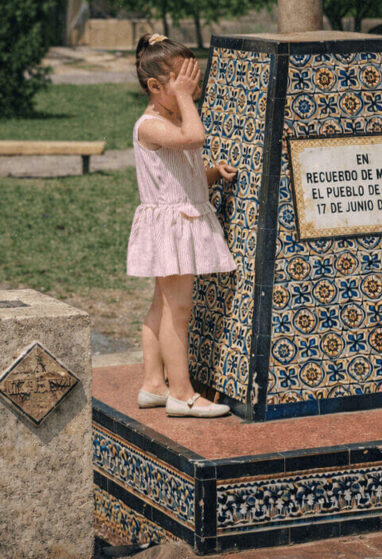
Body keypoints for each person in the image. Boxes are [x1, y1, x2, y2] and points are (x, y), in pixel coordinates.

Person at [127, 32, 238, 418]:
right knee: (179, 309)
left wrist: (210, 174)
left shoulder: (169, 117)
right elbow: (194, 138)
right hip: (172, 227)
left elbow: (177, 173)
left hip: (178, 219)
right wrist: (188, 99)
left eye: (195, 78)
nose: (193, 85)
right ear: (155, 86)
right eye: (184, 79)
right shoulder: (150, 124)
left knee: (161, 306)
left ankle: (153, 385)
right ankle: (182, 394)